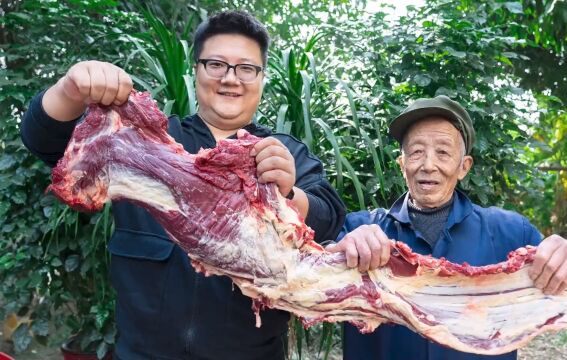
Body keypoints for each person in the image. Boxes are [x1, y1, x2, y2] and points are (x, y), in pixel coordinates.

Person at [20, 11, 345, 360]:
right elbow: (46, 141)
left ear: (262, 77)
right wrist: (69, 90)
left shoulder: (286, 152)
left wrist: (289, 195)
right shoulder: (147, 141)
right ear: (197, 70)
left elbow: (329, 216)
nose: (230, 79)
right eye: (216, 64)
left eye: (246, 68)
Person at [326, 95, 567, 360]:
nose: (428, 164)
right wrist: (337, 252)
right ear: (402, 164)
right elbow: (304, 276)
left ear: (464, 166)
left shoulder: (510, 232)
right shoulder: (360, 229)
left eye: (443, 152)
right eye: (416, 152)